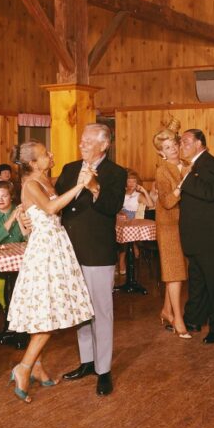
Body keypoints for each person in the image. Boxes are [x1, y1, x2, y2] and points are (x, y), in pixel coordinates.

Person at [6, 141, 95, 403]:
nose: (52, 155)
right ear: (33, 163)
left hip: (57, 246)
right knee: (47, 313)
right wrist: (81, 185)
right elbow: (51, 209)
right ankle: (23, 367)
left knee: (51, 310)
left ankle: (36, 366)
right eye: (46, 154)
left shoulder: (46, 180)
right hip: (45, 251)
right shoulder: (31, 185)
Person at [57, 123, 127, 396]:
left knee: (101, 311)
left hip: (98, 252)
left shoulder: (115, 173)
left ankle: (104, 369)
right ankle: (87, 361)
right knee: (80, 311)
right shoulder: (69, 168)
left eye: (87, 142)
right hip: (71, 251)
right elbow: (58, 202)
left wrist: (94, 186)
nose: (81, 145)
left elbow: (111, 207)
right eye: (81, 141)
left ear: (104, 145)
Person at [179, 129, 214, 344]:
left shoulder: (208, 163)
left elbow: (211, 193)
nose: (182, 145)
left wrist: (185, 178)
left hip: (213, 238)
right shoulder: (194, 166)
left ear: (200, 143)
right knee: (197, 281)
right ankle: (193, 319)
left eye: (186, 141)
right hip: (198, 237)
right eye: (181, 141)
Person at [152, 129, 190, 339]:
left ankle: (166, 311)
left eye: (174, 144)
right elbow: (166, 202)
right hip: (168, 227)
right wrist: (181, 187)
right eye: (167, 147)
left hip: (186, 225)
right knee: (174, 273)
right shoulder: (162, 171)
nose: (173, 149)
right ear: (161, 153)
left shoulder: (188, 164)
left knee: (177, 271)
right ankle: (178, 318)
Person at [0, 181, 29, 309]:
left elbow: (28, 237)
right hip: (0, 264)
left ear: (11, 196)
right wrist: (12, 218)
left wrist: (19, 218)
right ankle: (8, 313)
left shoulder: (22, 210)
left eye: (4, 196)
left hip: (21, 261)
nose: (0, 200)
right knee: (1, 283)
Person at [117, 170, 155, 274]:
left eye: (134, 181)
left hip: (132, 219)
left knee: (124, 238)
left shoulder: (138, 195)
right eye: (129, 181)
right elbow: (116, 206)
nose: (131, 184)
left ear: (137, 183)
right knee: (120, 232)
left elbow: (151, 204)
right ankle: (133, 245)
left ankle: (121, 261)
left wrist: (144, 191)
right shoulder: (121, 192)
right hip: (119, 216)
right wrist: (120, 213)